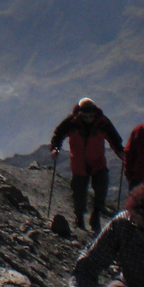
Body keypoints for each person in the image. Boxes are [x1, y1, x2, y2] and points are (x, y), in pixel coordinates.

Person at [51, 98, 125, 232]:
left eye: (91, 116)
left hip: (98, 162)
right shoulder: (72, 122)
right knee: (78, 192)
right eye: (85, 116)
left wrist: (120, 152)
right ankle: (79, 217)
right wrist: (55, 148)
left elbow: (114, 139)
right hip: (79, 163)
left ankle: (96, 215)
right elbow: (58, 135)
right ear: (80, 113)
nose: (89, 118)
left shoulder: (102, 123)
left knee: (101, 188)